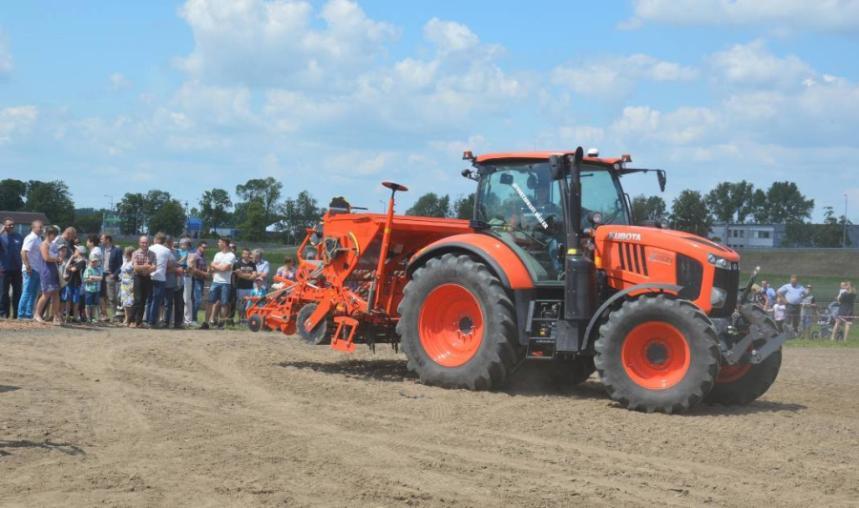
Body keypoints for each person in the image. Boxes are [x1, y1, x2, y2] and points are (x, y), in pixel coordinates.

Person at [203, 237, 235, 329]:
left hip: (225, 283)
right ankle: (206, 323)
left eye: (219, 242)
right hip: (215, 281)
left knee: (224, 303)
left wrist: (215, 266)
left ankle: (221, 324)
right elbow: (213, 267)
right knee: (210, 302)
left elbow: (224, 268)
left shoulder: (231, 256)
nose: (218, 244)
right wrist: (218, 267)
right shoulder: (217, 254)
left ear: (224, 243)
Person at [35, 226, 62, 324]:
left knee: (56, 294)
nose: (54, 237)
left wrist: (59, 259)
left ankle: (56, 316)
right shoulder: (44, 244)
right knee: (46, 294)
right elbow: (46, 257)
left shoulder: (53, 245)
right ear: (48, 234)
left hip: (54, 270)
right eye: (53, 234)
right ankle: (37, 314)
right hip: (46, 271)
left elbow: (56, 256)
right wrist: (57, 259)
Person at [18, 220, 44, 320]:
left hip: (37, 269)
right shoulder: (31, 238)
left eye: (42, 227)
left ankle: (28, 314)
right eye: (39, 227)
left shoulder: (38, 238)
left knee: (34, 293)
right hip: (30, 269)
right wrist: (27, 266)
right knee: (27, 291)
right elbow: (23, 252)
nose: (41, 229)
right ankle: (21, 314)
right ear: (33, 227)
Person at [131, 235, 156, 328]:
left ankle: (139, 321)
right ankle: (131, 320)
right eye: (142, 242)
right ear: (139, 243)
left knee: (143, 300)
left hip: (147, 278)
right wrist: (146, 266)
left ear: (148, 243)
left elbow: (154, 267)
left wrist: (145, 269)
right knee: (137, 299)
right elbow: (135, 267)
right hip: (138, 277)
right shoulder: (135, 253)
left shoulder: (152, 254)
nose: (144, 244)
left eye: (146, 242)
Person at [1, 217, 24, 318]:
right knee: (3, 293)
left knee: (17, 292)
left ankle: (16, 313)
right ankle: (3, 313)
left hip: (17, 269)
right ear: (4, 225)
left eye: (12, 224)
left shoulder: (18, 236)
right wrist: (1, 231)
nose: (11, 226)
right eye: (9, 224)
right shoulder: (1, 237)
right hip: (4, 269)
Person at [147, 232, 171, 327]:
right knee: (156, 300)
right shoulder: (167, 250)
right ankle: (152, 321)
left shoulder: (150, 248)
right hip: (160, 277)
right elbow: (171, 263)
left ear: (156, 239)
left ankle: (147, 319)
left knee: (149, 299)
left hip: (149, 275)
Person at [163, 236, 185, 329]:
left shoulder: (176, 252)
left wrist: (181, 269)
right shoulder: (163, 252)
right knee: (168, 304)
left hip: (178, 282)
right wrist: (175, 269)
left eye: (170, 242)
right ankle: (166, 322)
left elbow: (182, 265)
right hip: (168, 282)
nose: (169, 244)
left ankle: (178, 323)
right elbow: (163, 268)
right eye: (168, 242)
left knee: (179, 303)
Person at [63, 246, 87, 323]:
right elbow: (67, 267)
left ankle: (75, 316)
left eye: (76, 250)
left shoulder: (82, 262)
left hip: (77, 283)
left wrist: (70, 267)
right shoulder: (74, 260)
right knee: (68, 299)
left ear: (79, 252)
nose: (74, 251)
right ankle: (67, 316)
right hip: (70, 282)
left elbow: (73, 269)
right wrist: (71, 258)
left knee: (75, 301)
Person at [102, 234, 123, 321]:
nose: (101, 241)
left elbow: (121, 264)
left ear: (108, 240)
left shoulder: (116, 250)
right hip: (101, 276)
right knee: (102, 297)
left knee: (112, 297)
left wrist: (114, 274)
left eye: (102, 239)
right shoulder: (101, 250)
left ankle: (114, 316)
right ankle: (104, 315)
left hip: (110, 276)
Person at [187, 241, 208, 323]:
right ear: (199, 246)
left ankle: (193, 318)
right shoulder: (195, 255)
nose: (204, 249)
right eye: (203, 247)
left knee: (197, 300)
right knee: (197, 300)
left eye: (206, 247)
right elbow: (193, 269)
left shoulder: (203, 256)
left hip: (201, 279)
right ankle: (193, 318)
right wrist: (205, 273)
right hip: (195, 279)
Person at [234, 248, 256, 323]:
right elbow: (239, 275)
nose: (246, 255)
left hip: (250, 288)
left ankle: (246, 320)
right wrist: (250, 275)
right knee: (240, 304)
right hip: (240, 287)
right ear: (242, 254)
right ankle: (240, 319)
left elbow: (254, 276)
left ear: (249, 255)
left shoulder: (252, 264)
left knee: (248, 305)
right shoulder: (238, 263)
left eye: (247, 254)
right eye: (244, 253)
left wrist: (244, 275)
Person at [178, 238, 194, 326]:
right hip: (177, 276)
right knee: (177, 298)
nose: (181, 245)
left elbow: (190, 266)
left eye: (183, 244)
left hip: (186, 277)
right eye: (181, 244)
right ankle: (176, 318)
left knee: (186, 299)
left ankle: (188, 320)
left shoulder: (191, 254)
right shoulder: (177, 252)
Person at [82, 257, 103, 322]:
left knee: (94, 304)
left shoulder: (98, 269)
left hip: (96, 290)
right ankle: (88, 318)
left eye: (95, 262)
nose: (94, 263)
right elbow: (85, 280)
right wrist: (92, 279)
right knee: (88, 304)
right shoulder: (87, 269)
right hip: (89, 290)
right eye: (93, 262)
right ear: (90, 262)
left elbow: (101, 278)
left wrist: (92, 277)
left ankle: (93, 317)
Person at [119, 247, 135, 326]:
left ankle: (130, 319)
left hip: (130, 283)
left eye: (125, 253)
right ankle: (126, 318)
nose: (124, 254)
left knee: (130, 302)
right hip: (123, 284)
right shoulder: (125, 261)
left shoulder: (133, 262)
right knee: (124, 302)